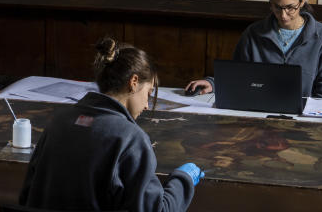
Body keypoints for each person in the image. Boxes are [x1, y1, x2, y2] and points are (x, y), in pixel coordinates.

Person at [19, 38, 204, 212]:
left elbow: (26, 196)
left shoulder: (59, 121)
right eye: (149, 92)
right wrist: (183, 179)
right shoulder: (130, 138)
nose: (147, 105)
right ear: (134, 82)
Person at [184, 0, 322, 99]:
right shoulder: (253, 34)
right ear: (270, 2)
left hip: (305, 122)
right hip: (258, 116)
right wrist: (213, 83)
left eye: (290, 7)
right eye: (277, 7)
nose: (283, 15)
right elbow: (238, 76)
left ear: (303, 1)